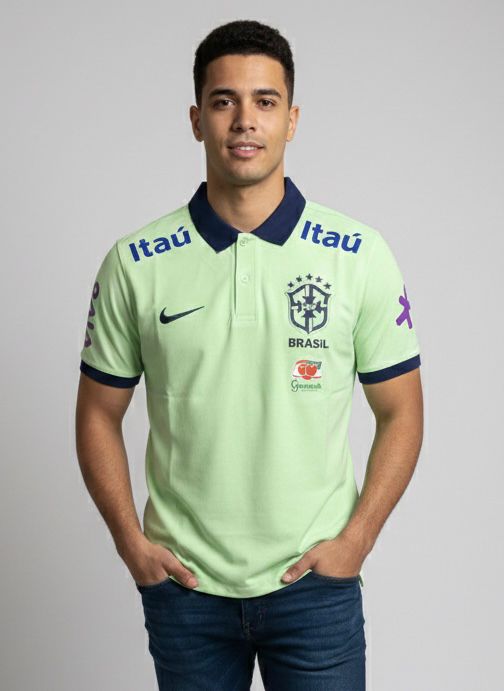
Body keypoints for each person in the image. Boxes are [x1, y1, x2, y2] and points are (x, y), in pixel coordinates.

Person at [75, 18, 423, 691]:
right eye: (223, 101)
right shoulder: (136, 262)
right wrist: (131, 544)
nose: (244, 120)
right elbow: (97, 412)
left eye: (265, 101)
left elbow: (402, 411)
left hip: (314, 588)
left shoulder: (358, 255)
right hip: (186, 590)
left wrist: (357, 540)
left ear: (291, 120)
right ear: (196, 119)